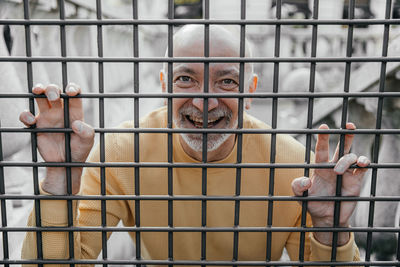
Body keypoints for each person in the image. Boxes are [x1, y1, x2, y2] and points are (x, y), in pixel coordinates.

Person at [20, 25, 370, 265]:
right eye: (186, 79)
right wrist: (59, 179)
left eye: (227, 81)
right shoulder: (123, 150)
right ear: (164, 85)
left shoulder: (293, 165)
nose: (204, 102)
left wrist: (330, 229)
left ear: (250, 91)